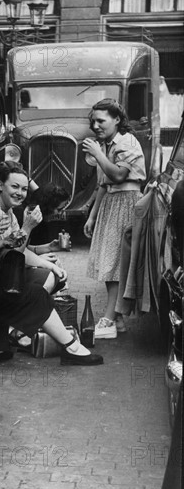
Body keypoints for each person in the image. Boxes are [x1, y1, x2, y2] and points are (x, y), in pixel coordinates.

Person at [0, 155, 103, 365]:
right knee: (33, 294)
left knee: (34, 292)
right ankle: (70, 346)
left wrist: (6, 242)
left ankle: (61, 344)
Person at [82, 98, 146, 339]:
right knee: (109, 263)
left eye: (101, 120)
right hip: (111, 203)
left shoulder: (126, 141)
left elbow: (119, 175)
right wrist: (92, 216)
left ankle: (109, 319)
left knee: (116, 264)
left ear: (117, 119)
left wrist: (98, 153)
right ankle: (116, 319)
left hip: (126, 202)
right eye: (93, 121)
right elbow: (103, 184)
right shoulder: (107, 144)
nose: (96, 125)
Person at [0, 161, 67, 295]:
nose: (20, 193)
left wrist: (45, 255)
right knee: (49, 277)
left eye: (24, 189)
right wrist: (27, 228)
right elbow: (14, 255)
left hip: (1, 272)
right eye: (15, 187)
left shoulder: (9, 211)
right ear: (0, 186)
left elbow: (17, 248)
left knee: (53, 272)